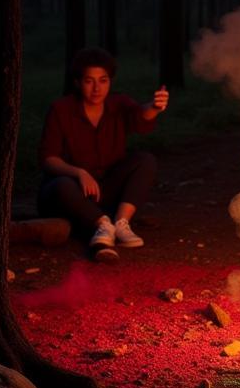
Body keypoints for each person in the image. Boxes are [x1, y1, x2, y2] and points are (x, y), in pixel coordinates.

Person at [38, 48, 168, 262]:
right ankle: (102, 225)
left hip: (105, 188)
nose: (97, 88)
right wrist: (79, 172)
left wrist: (154, 107)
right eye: (90, 81)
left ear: (110, 82)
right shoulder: (60, 110)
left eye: (103, 80)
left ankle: (120, 224)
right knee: (60, 184)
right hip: (73, 192)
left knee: (145, 160)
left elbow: (140, 117)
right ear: (78, 82)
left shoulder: (118, 104)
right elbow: (48, 158)